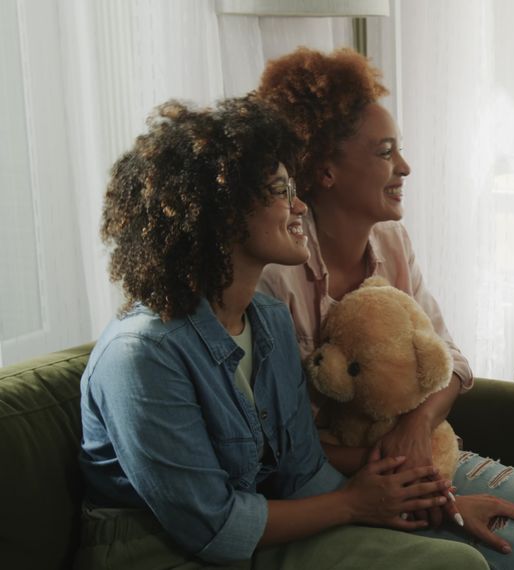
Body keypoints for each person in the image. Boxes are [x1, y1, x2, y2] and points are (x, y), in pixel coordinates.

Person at [77, 96, 488, 569]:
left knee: (457, 555)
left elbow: (303, 473)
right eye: (279, 190)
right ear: (221, 212)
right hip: (158, 552)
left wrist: (439, 512)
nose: (299, 204)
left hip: (262, 533)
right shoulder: (142, 356)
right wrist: (356, 504)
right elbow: (215, 528)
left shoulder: (267, 320)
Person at [255, 47, 514, 569]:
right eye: (385, 152)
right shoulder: (276, 279)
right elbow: (283, 443)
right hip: (338, 476)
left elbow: (451, 361)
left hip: (412, 453)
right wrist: (397, 465)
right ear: (324, 171)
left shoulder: (392, 241)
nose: (405, 167)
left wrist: (414, 429)